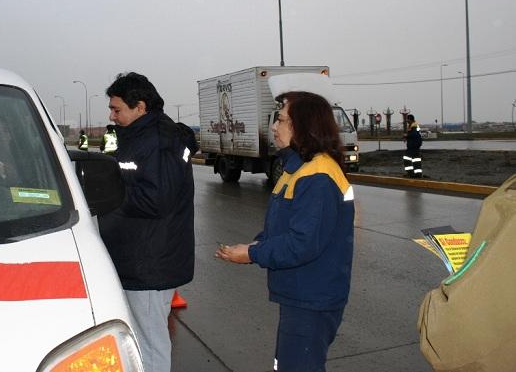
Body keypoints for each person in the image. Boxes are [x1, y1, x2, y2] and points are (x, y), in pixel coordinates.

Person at [216, 88, 355, 372]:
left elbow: (303, 243)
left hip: (312, 297)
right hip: (301, 292)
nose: (274, 127)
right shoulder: (296, 169)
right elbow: (282, 228)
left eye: (280, 120)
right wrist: (254, 247)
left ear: (303, 126)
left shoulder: (317, 175)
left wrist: (254, 255)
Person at [98, 72, 197, 372]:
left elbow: (157, 199)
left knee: (151, 344)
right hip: (138, 261)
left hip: (150, 266)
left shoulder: (159, 142)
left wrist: (108, 196)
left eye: (117, 109)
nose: (112, 115)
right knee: (138, 341)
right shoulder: (137, 137)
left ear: (140, 107)